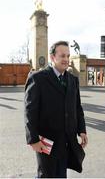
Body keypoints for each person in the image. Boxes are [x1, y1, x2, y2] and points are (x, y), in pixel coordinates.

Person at [24, 41, 88, 178]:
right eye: (62, 56)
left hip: (66, 140)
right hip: (45, 141)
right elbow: (30, 111)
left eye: (68, 56)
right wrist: (33, 139)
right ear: (53, 57)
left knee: (61, 174)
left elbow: (77, 107)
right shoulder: (37, 78)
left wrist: (81, 130)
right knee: (46, 174)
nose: (66, 59)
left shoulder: (72, 79)